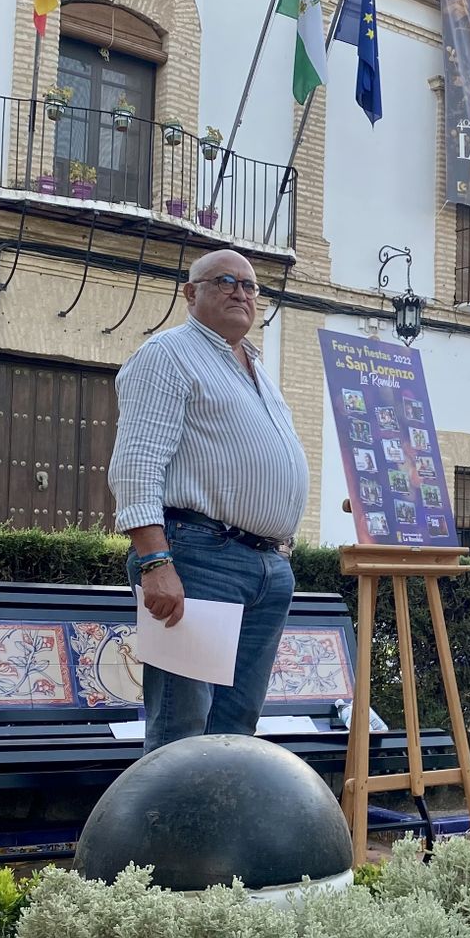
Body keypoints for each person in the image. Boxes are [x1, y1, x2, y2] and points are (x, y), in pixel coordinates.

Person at [109, 248, 309, 753]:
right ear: (190, 292)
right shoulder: (168, 354)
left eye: (250, 285)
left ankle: (216, 812)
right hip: (198, 559)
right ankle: (171, 813)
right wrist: (156, 562)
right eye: (225, 281)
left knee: (235, 731)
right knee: (181, 733)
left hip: (268, 567)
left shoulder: (256, 368)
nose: (241, 292)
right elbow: (136, 463)